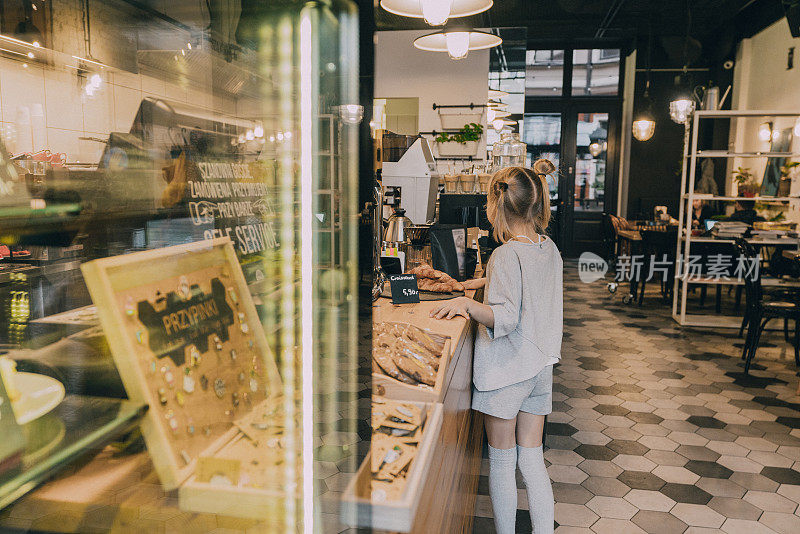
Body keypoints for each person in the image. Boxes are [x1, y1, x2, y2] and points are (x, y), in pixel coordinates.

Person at [429, 160, 562, 534]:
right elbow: (531, 287)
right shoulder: (547, 247)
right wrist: (486, 281)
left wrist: (467, 304)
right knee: (532, 458)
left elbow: (505, 317)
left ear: (495, 204)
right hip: (539, 369)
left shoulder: (505, 253)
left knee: (503, 462)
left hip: (507, 371)